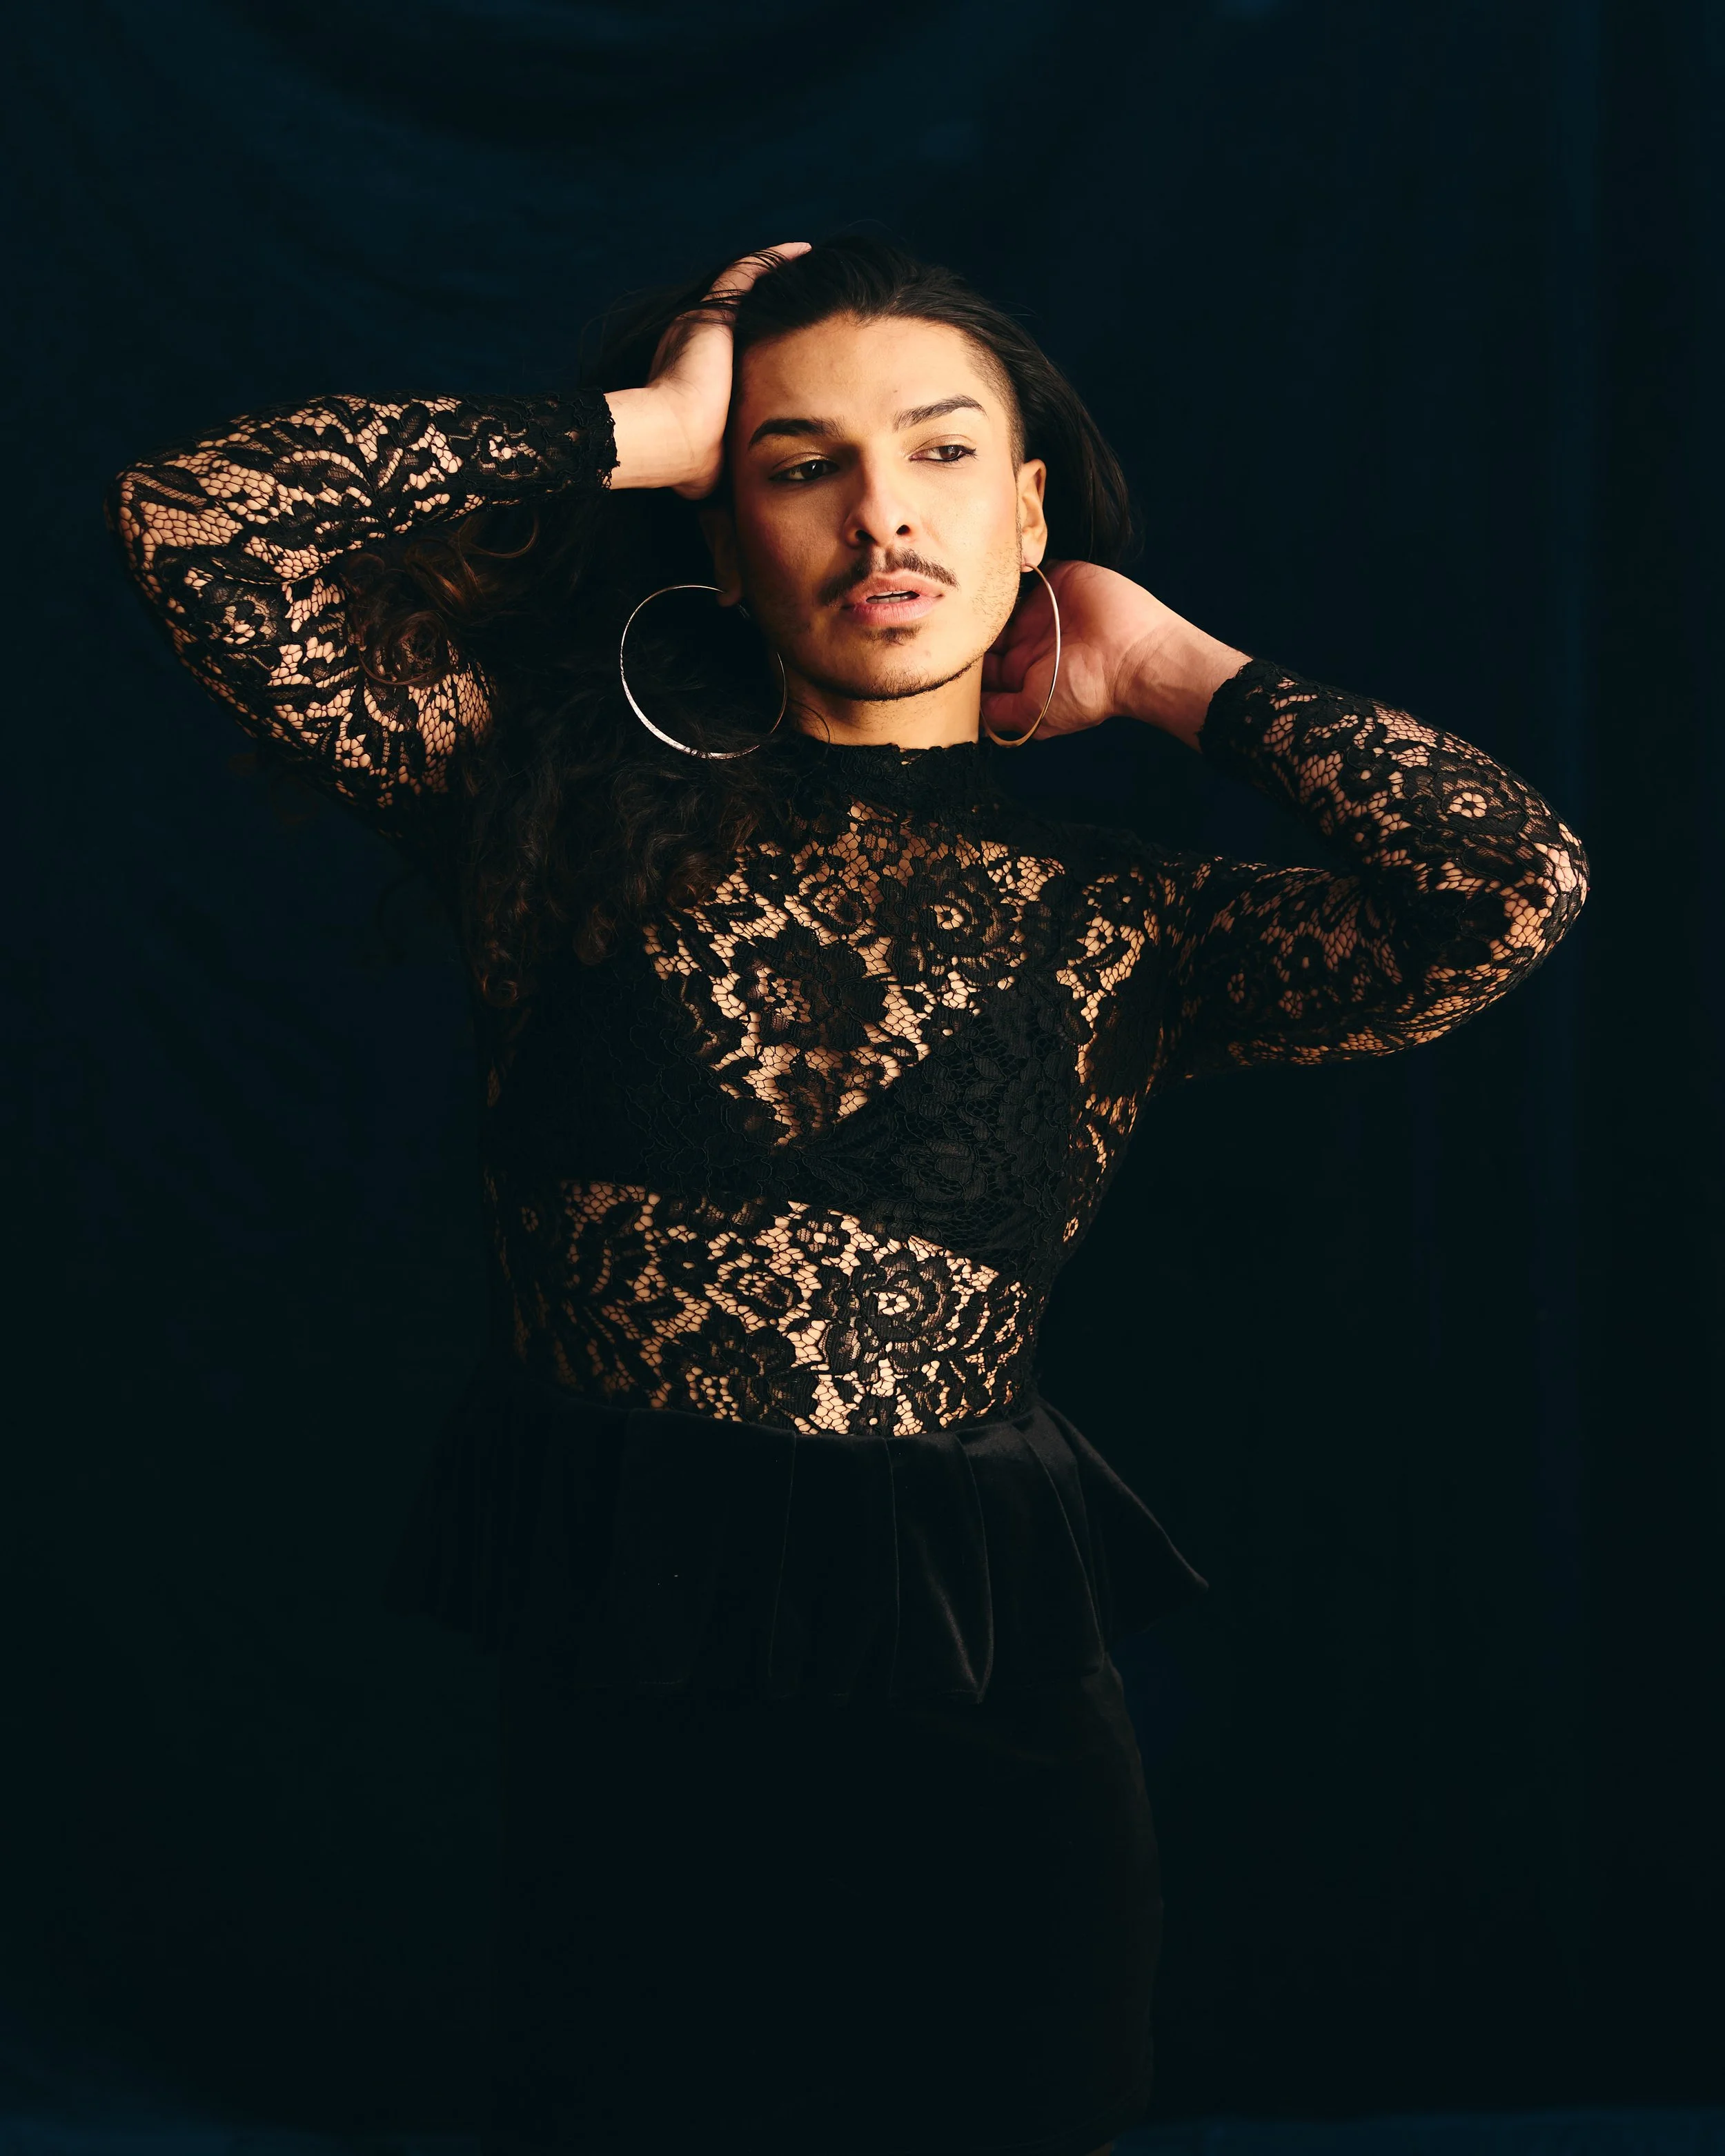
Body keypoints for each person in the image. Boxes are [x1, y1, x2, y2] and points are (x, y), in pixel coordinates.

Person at [108, 235, 1589, 2156]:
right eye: (798, 463)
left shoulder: (1123, 925)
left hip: (993, 1736)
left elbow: (1505, 886)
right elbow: (200, 528)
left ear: (1026, 505)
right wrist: (646, 426)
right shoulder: (528, 807)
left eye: (942, 451)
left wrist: (1163, 669)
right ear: (720, 531)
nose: (880, 512)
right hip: (627, 1701)